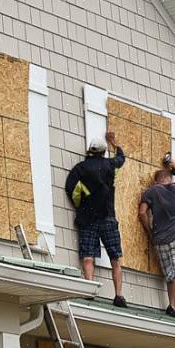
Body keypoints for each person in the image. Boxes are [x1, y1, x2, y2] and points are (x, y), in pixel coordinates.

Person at [65, 131, 128, 307]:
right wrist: (114, 143)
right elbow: (121, 159)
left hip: (88, 218)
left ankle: (89, 291)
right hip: (107, 216)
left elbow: (71, 189)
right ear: (103, 152)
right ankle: (119, 296)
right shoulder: (110, 165)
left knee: (88, 256)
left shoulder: (79, 169)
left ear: (89, 151)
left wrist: (81, 204)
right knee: (115, 257)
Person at [138, 158, 175, 320]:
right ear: (169, 179)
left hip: (159, 240)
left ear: (156, 180)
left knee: (169, 274)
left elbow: (142, 213)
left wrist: (150, 231)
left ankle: (171, 306)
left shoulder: (151, 191)